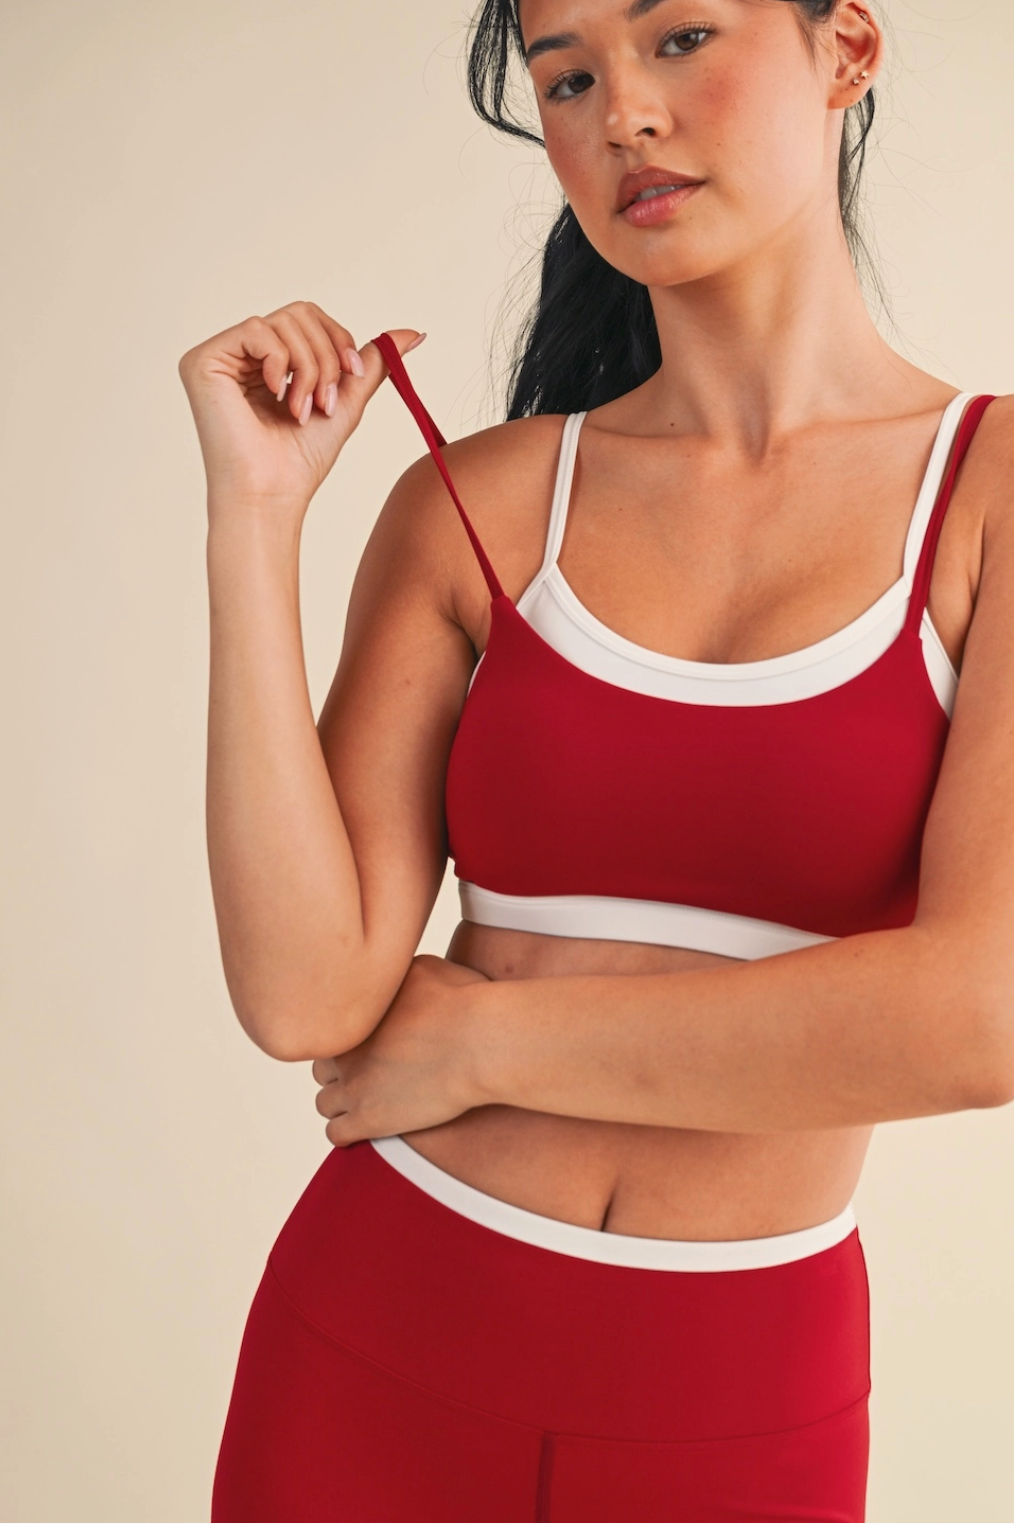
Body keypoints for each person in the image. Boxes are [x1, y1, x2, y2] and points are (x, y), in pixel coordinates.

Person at [179, 2, 1014, 1519]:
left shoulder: (989, 496)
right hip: (378, 1329)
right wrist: (256, 519)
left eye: (678, 37)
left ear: (845, 50)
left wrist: (493, 1045)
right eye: (567, 75)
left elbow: (979, 1014)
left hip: (737, 1392)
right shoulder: (478, 502)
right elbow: (309, 994)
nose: (620, 109)